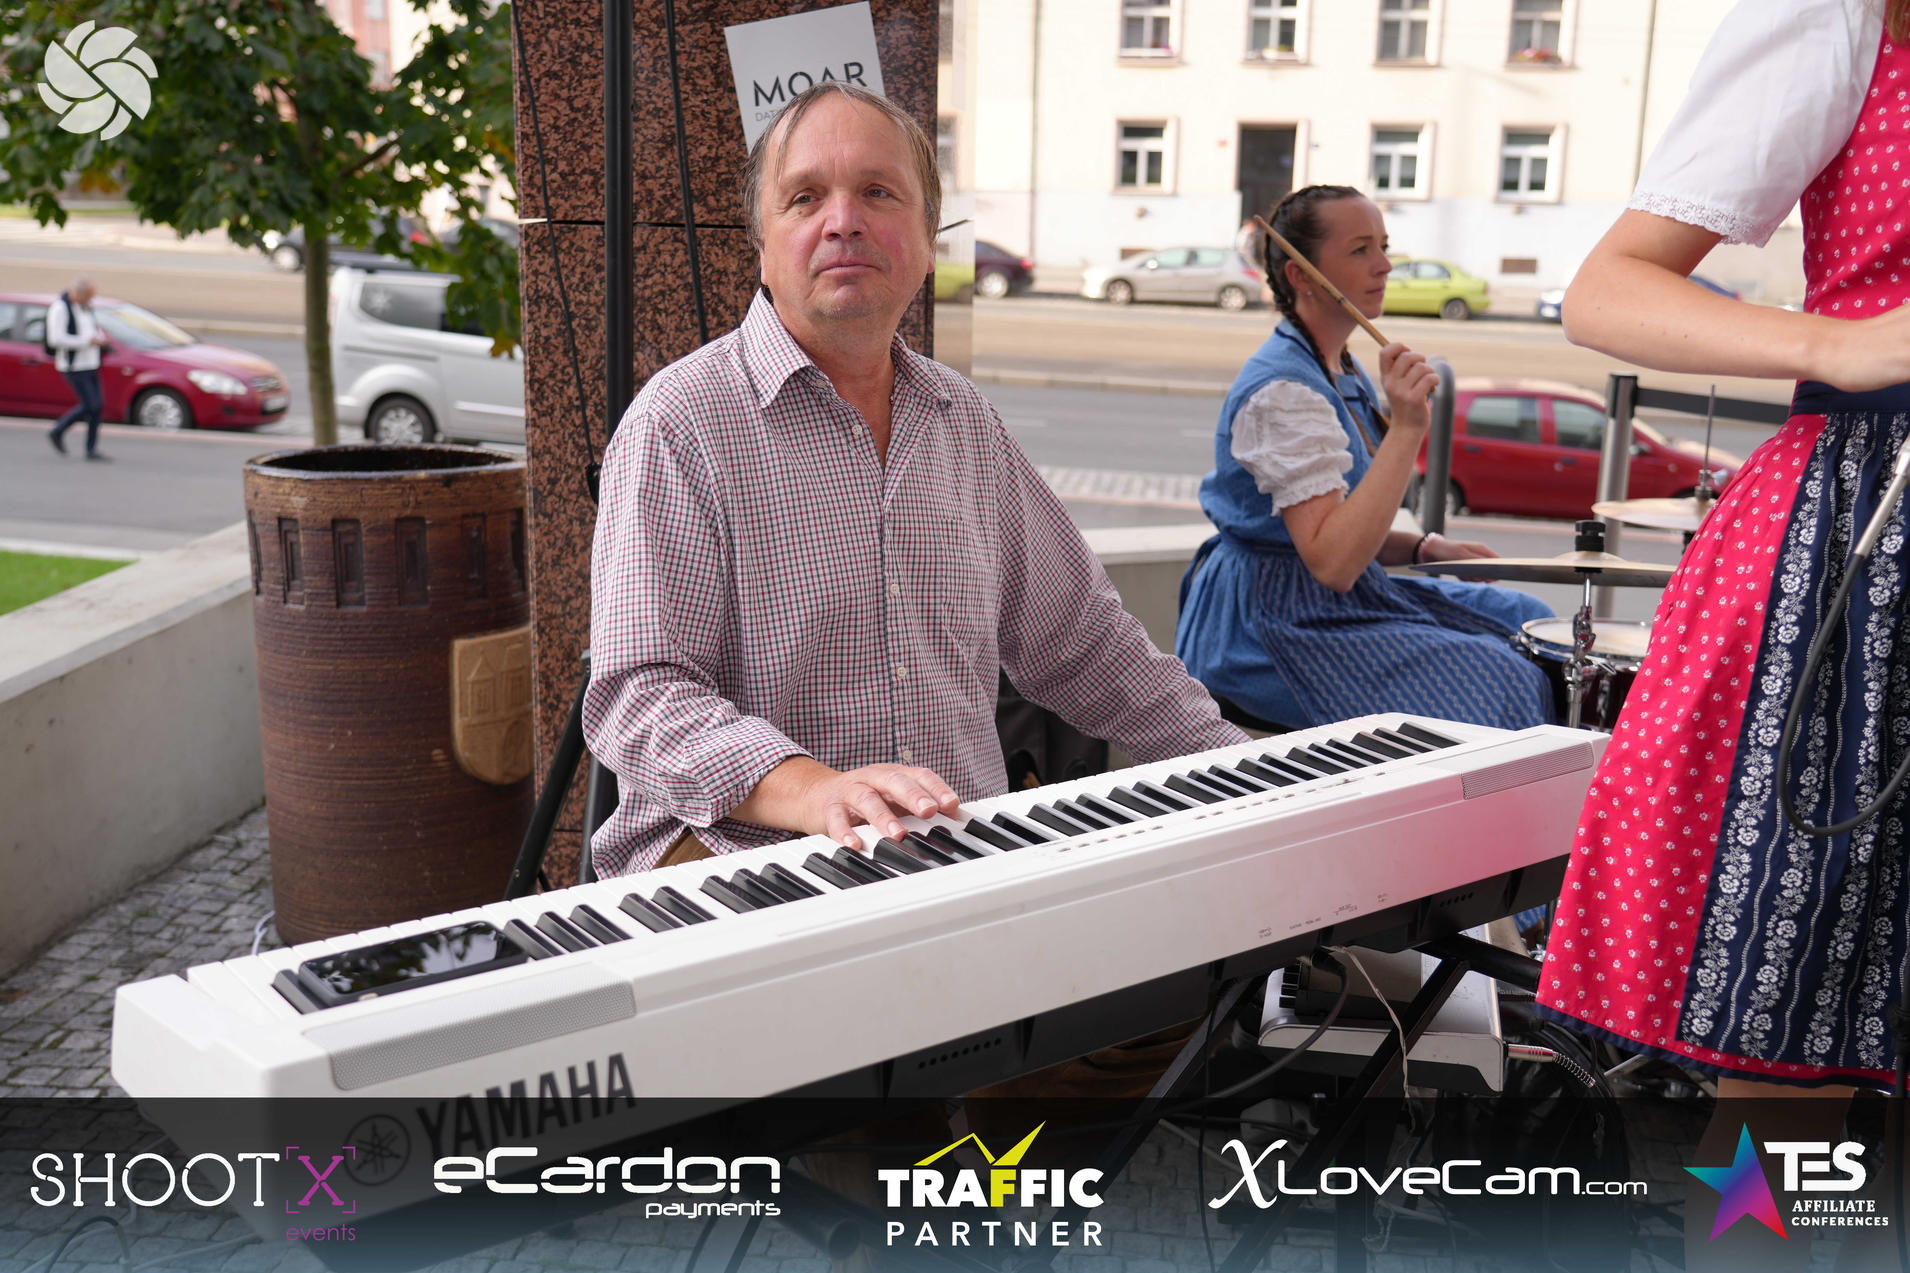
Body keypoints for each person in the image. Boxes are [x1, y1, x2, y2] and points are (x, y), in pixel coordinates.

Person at [581, 81, 1245, 879]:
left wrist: (1246, 771)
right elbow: (639, 696)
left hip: (953, 856)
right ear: (760, 244)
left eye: (877, 191)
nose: (843, 220)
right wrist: (814, 789)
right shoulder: (680, 423)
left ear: (929, 239)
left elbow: (1085, 643)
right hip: (745, 859)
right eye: (804, 197)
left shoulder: (964, 421)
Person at [1534, 1, 1910, 1264]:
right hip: (1868, 562)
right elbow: (1606, 290)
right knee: (1797, 1067)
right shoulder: (1842, 19)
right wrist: (1841, 345)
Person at [1174, 184, 1553, 731]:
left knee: (1529, 620)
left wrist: (1423, 547)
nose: (1385, 265)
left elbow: (1335, 524)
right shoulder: (1284, 393)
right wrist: (1408, 428)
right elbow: (1333, 562)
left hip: (1329, 599)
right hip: (1269, 625)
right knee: (1503, 675)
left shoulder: (1338, 367)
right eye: (1360, 250)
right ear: (1302, 275)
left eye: (1383, 246)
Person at [46, 278, 110, 461]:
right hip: (74, 365)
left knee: (97, 407)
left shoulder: (85, 307)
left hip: (91, 363)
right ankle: (58, 430)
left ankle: (91, 448)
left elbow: (90, 329)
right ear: (78, 293)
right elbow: (55, 339)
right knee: (91, 405)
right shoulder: (60, 308)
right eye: (88, 296)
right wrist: (87, 342)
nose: (91, 299)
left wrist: (99, 338)